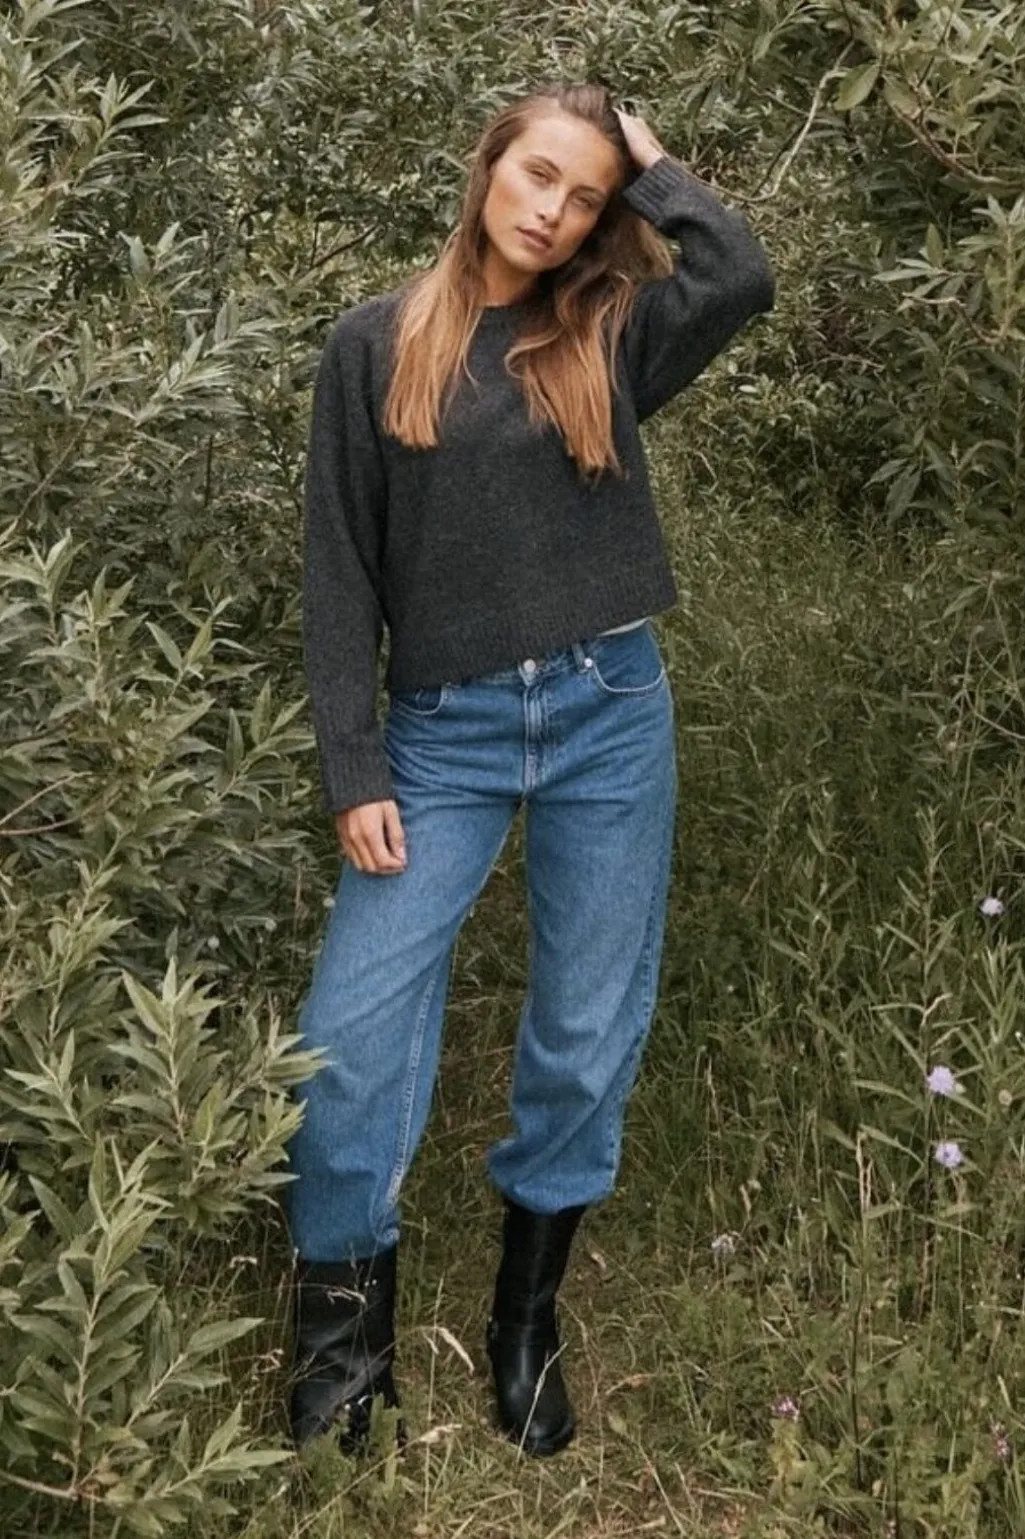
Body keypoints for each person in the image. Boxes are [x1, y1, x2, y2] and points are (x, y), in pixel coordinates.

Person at [287, 80, 774, 1459]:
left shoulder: (607, 334)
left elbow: (740, 276)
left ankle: (525, 1321)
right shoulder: (374, 343)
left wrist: (650, 159)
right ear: (490, 163)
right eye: (539, 174)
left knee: (583, 1026)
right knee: (353, 1031)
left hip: (608, 710)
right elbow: (339, 569)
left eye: (586, 197)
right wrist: (354, 762)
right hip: (440, 736)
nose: (553, 212)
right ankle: (342, 1352)